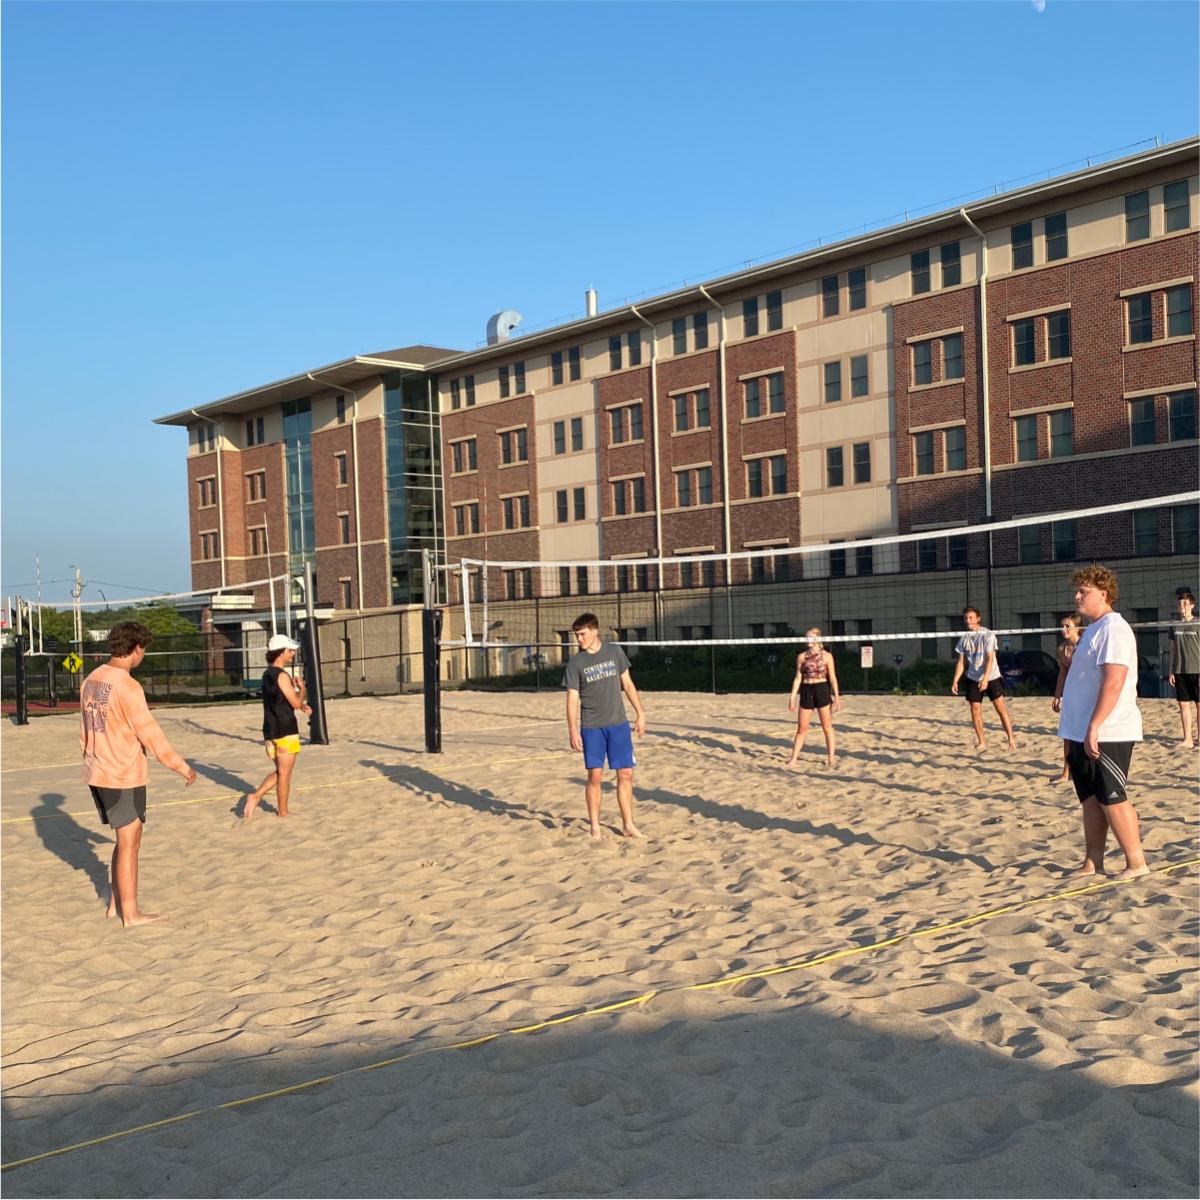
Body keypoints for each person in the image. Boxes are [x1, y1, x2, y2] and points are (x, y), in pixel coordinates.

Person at [79, 621, 197, 927]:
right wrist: (180, 766)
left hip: (99, 769)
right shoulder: (127, 685)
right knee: (129, 841)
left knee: (126, 838)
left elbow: (84, 732)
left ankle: (115, 904)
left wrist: (91, 760)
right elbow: (150, 733)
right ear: (136, 649)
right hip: (122, 772)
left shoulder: (91, 680)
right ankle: (130, 914)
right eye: (143, 649)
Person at [1058, 564, 1148, 880]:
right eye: (1076, 590)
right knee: (1091, 799)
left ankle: (1137, 864)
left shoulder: (1114, 628)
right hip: (1082, 729)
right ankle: (1093, 861)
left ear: (1104, 593)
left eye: (1084, 591)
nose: (1077, 595)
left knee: (1112, 797)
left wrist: (1095, 725)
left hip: (1109, 729)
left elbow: (1114, 681)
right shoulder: (1093, 630)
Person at [563, 613, 646, 840]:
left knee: (626, 774)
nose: (579, 639)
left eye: (582, 634)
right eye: (576, 635)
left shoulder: (614, 652)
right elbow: (572, 698)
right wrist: (572, 729)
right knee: (595, 777)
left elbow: (627, 684)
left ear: (595, 631)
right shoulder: (576, 663)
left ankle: (628, 824)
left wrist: (640, 714)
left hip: (618, 723)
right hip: (592, 726)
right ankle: (595, 827)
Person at [243, 634, 311, 822]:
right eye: (290, 651)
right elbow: (295, 702)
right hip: (285, 729)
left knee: (281, 772)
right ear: (280, 652)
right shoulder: (282, 675)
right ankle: (275, 807)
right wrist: (302, 688)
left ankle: (267, 802)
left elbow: (279, 701)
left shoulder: (267, 674)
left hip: (269, 730)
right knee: (285, 774)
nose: (292, 654)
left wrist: (302, 705)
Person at [950, 606, 1017, 750]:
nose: (968, 621)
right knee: (975, 709)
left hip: (991, 676)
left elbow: (990, 659)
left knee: (1000, 708)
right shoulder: (964, 638)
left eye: (971, 618)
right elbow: (961, 661)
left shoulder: (988, 635)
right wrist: (955, 680)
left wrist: (985, 678)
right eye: (966, 618)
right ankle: (982, 742)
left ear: (978, 619)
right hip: (972, 677)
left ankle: (1011, 739)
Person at [786, 627, 842, 768]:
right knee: (802, 728)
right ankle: (793, 759)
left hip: (822, 689)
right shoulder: (801, 657)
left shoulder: (827, 656)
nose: (808, 640)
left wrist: (837, 697)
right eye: (807, 637)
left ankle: (831, 759)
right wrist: (792, 697)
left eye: (810, 637)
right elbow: (798, 678)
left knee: (827, 726)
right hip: (806, 690)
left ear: (817, 638)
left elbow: (833, 678)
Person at [1049, 613, 1083, 784]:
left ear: (1077, 628)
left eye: (1067, 626)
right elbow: (1062, 673)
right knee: (1067, 735)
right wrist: (1057, 696)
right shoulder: (1062, 648)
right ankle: (1066, 772)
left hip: (1086, 694)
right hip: (1071, 694)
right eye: (1062, 626)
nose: (1063, 629)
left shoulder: (1084, 645)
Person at [1168, 588, 1199, 749]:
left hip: (1197, 670)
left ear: (1192, 605)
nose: (1182, 605)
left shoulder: (1197, 623)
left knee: (1199, 705)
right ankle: (1187, 739)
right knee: (1183, 705)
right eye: (1180, 603)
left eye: (1186, 603)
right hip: (1180, 670)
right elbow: (1172, 649)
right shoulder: (1174, 624)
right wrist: (1171, 671)